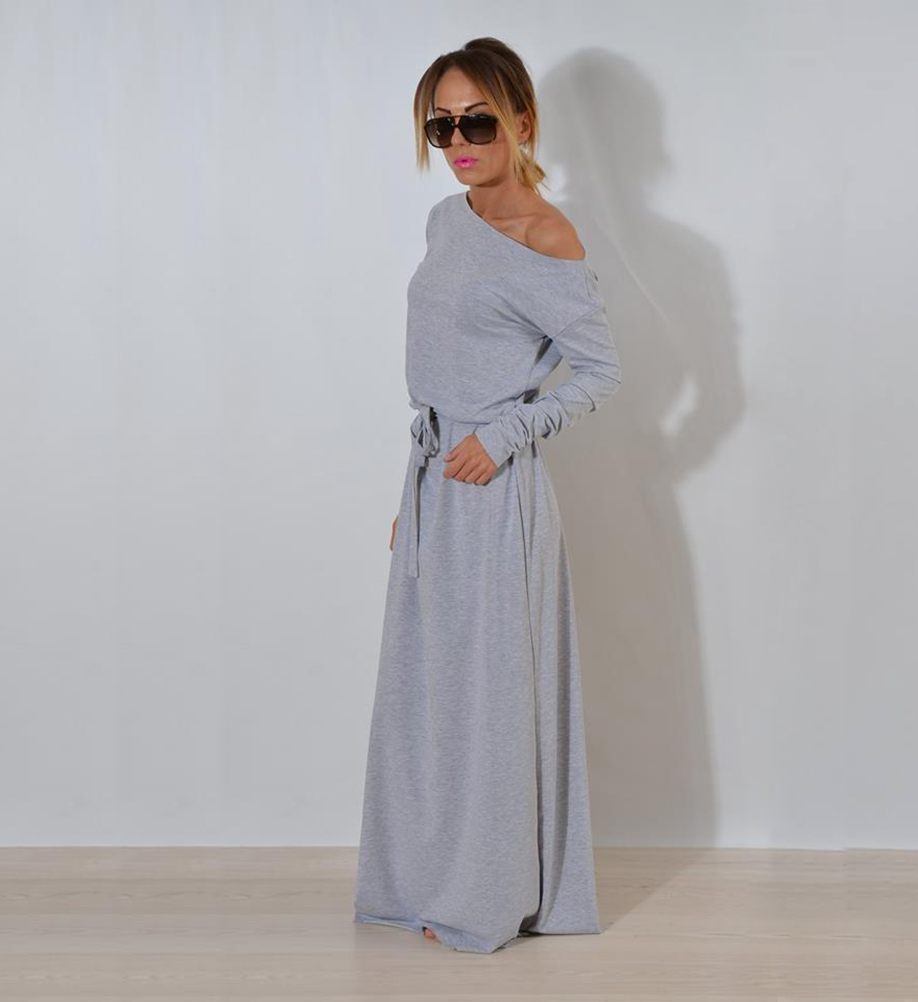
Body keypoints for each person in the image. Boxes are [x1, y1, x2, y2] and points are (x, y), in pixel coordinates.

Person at [353, 36, 623, 954]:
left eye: (477, 122)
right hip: (436, 483)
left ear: (522, 121)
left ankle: (489, 895)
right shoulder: (447, 219)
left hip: (497, 495)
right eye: (442, 126)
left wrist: (502, 437)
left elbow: (599, 371)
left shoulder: (548, 239)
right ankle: (427, 879)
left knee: (490, 705)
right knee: (427, 698)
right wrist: (419, 492)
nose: (459, 143)